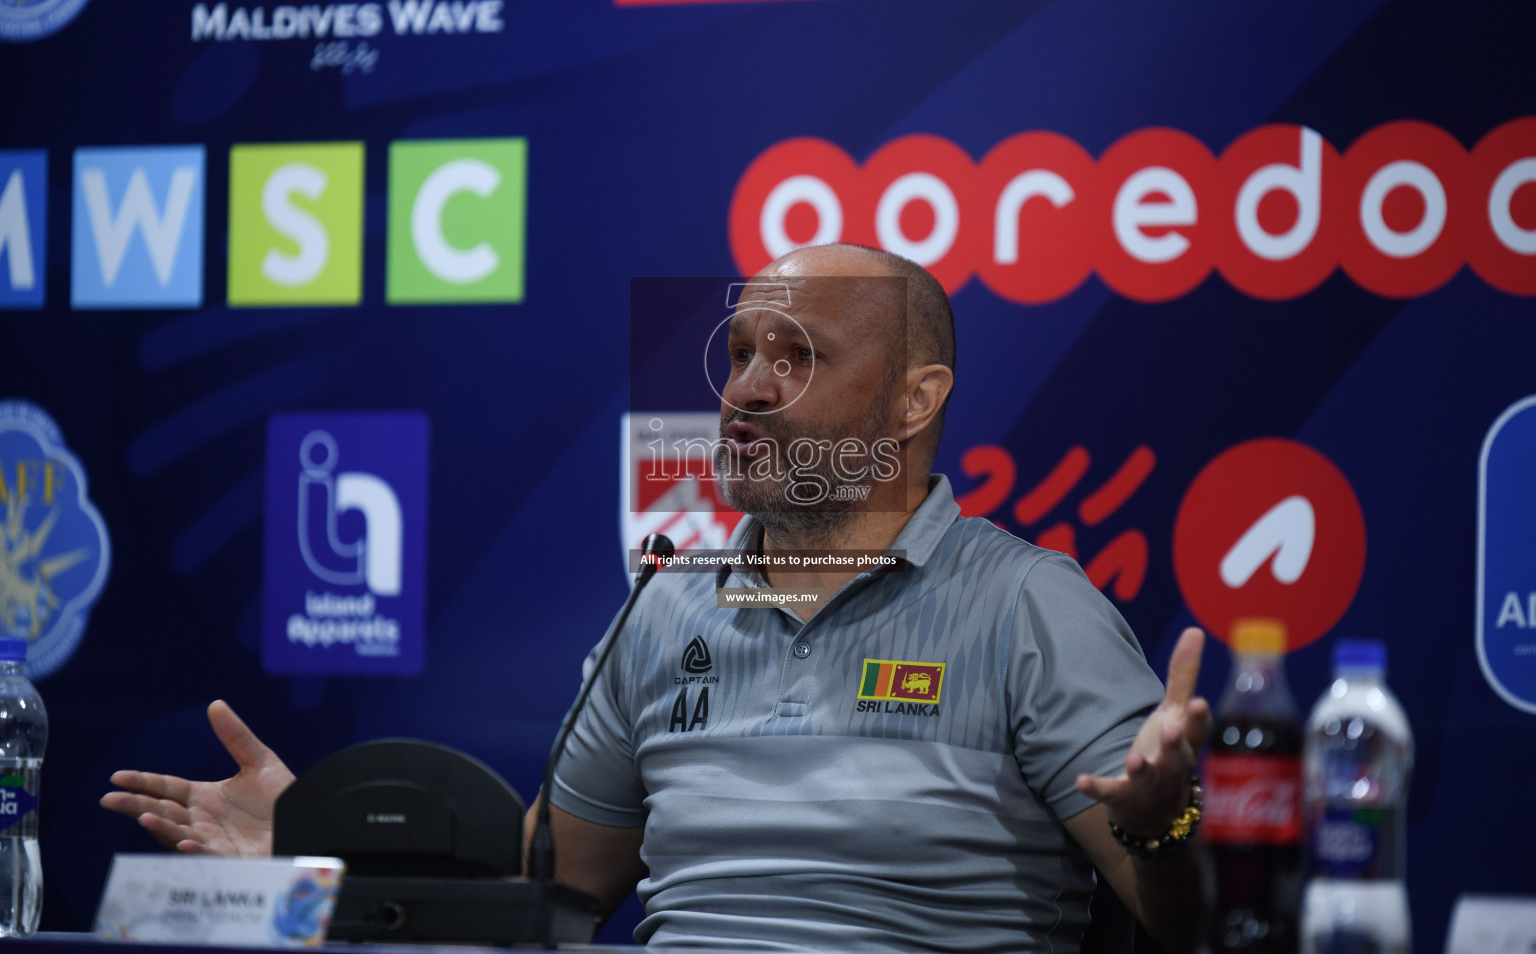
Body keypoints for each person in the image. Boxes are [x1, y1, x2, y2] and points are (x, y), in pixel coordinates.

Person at [103, 244, 1211, 953]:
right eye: (738, 353)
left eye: (796, 354)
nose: (744, 388)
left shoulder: (1028, 608)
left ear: (916, 399)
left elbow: (1192, 920)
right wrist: (317, 855)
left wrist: (1165, 824)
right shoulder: (665, 611)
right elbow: (546, 884)